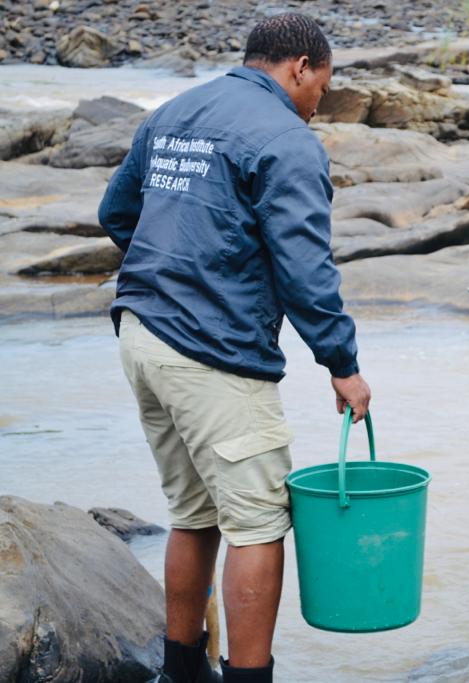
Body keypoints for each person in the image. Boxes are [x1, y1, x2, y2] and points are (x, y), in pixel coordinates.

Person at [98, 14, 370, 683]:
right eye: (321, 88)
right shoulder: (287, 139)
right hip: (210, 352)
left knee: (192, 513)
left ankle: (180, 671)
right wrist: (343, 364)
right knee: (257, 521)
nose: (317, 104)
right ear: (300, 67)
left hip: (141, 334)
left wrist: (177, 267)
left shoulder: (176, 110)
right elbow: (306, 272)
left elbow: (116, 214)